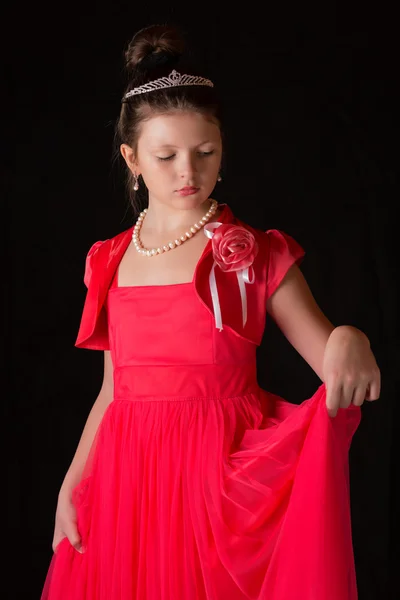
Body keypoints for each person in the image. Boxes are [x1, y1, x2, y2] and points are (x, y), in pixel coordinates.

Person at [40, 23, 381, 600]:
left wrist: (350, 337)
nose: (187, 172)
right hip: (129, 481)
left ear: (223, 150)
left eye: (206, 153)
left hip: (219, 480)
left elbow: (331, 361)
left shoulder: (256, 253)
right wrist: (72, 482)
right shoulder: (109, 259)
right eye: (166, 155)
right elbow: (113, 387)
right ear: (132, 158)